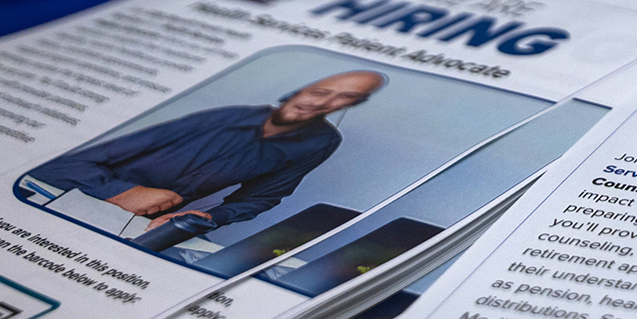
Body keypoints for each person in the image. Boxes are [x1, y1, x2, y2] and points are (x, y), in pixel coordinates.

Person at [28, 71, 384, 245]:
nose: (321, 103)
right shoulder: (222, 116)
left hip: (134, 231)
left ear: (352, 105)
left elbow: (260, 199)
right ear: (298, 91)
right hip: (64, 206)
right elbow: (62, 165)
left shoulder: (321, 142)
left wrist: (208, 215)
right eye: (319, 91)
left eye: (342, 99)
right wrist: (121, 191)